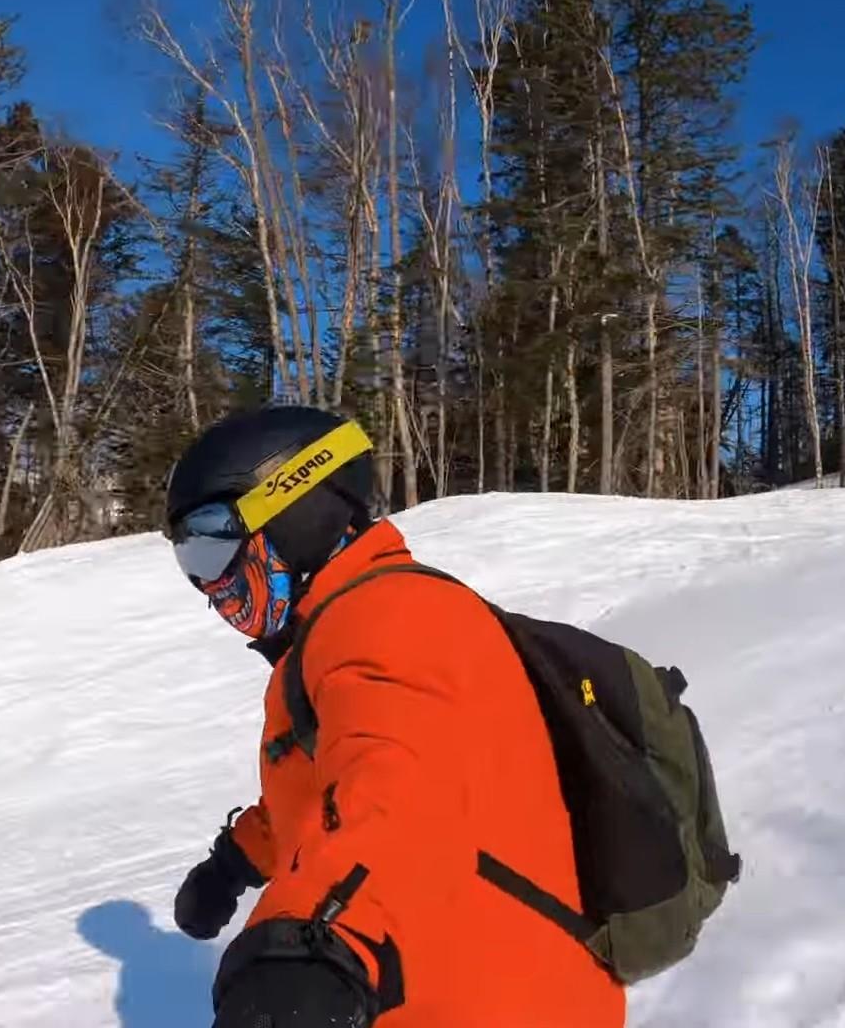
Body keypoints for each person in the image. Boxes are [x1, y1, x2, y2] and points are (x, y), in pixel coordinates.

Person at [165, 405, 625, 1028]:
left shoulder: (395, 615)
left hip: (489, 997)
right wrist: (233, 864)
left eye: (214, 539)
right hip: (429, 980)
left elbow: (397, 796)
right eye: (190, 558)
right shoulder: (333, 634)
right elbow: (331, 796)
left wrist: (306, 947)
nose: (208, 585)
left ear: (298, 507)